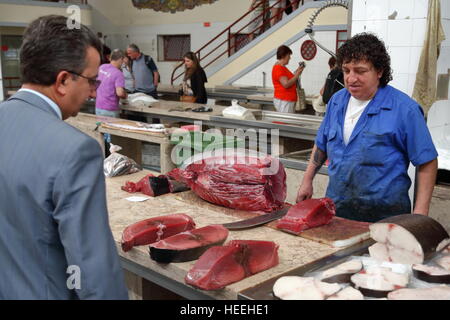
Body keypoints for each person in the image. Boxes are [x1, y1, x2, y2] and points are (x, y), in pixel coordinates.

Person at [0, 15, 128, 299]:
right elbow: (95, 274)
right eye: (91, 81)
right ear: (62, 80)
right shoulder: (74, 151)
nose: (94, 92)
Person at [296, 33, 438, 223]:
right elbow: (322, 144)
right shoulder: (337, 102)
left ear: (379, 71)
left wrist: (420, 214)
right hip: (338, 210)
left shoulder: (405, 110)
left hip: (386, 216)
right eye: (346, 70)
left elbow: (427, 162)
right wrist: (307, 180)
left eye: (360, 71)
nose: (351, 78)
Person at [272, 45, 304, 113]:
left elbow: (290, 79)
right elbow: (286, 84)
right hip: (284, 100)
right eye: (288, 56)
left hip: (286, 100)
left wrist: (297, 71)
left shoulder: (282, 67)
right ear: (283, 56)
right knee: (285, 122)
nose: (290, 58)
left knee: (287, 122)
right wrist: (297, 75)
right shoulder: (279, 68)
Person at [95, 49, 127, 118]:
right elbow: (120, 93)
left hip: (98, 107)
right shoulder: (118, 73)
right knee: (111, 128)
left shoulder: (102, 67)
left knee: (101, 127)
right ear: (121, 59)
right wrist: (125, 95)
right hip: (110, 109)